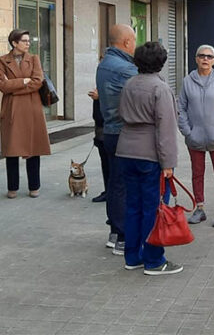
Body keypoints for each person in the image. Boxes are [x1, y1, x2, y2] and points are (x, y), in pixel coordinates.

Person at [116, 42, 183, 275]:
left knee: (133, 206)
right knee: (153, 209)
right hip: (150, 154)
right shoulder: (160, 88)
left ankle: (132, 256)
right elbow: (166, 128)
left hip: (126, 149)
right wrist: (169, 163)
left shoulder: (129, 84)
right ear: (161, 63)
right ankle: (154, 260)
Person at [178, 45, 214, 228]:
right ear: (196, 58)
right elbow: (181, 109)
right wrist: (187, 131)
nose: (205, 59)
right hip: (195, 138)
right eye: (202, 56)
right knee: (197, 173)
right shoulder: (187, 81)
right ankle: (199, 208)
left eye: (209, 56)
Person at [96, 24, 138, 256]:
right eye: (134, 40)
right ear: (126, 42)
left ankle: (115, 231)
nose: (135, 45)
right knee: (123, 185)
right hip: (123, 132)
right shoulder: (125, 68)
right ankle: (122, 236)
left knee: (114, 183)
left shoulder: (105, 63)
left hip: (110, 131)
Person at [0, 29, 51, 199]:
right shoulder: (3, 61)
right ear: (14, 43)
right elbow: (1, 85)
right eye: (24, 41)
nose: (28, 43)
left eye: (28, 40)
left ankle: (34, 186)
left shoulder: (34, 59)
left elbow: (37, 82)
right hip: (12, 109)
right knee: (12, 149)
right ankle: (12, 187)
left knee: (33, 148)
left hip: (32, 108)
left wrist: (14, 87)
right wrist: (22, 81)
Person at [88, 88, 109, 203]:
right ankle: (108, 191)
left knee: (112, 165)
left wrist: (100, 98)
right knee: (105, 164)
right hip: (101, 133)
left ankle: (112, 192)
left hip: (111, 132)